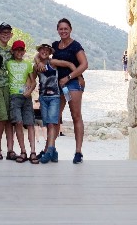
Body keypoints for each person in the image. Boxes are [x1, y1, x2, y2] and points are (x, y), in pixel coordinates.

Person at [51, 18, 88, 164]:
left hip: (72, 83)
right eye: (61, 29)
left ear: (70, 29)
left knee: (76, 116)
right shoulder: (54, 46)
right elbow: (46, 58)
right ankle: (51, 148)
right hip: (57, 84)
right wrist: (67, 63)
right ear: (57, 30)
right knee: (55, 117)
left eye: (66, 28)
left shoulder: (75, 46)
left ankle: (78, 152)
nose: (63, 31)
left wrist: (69, 76)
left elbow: (84, 64)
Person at [6, 40, 39, 164]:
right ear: (13, 51)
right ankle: (23, 151)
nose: (19, 52)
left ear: (24, 52)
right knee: (18, 122)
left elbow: (33, 81)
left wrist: (29, 91)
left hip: (26, 97)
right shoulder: (8, 63)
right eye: (17, 50)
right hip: (14, 96)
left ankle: (33, 152)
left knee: (30, 124)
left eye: (21, 50)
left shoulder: (27, 65)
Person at [0, 22, 16, 160]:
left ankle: (10, 149)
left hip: (9, 87)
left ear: (11, 35)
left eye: (8, 33)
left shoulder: (12, 51)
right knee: (1, 117)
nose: (5, 35)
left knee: (9, 119)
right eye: (2, 32)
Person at [34, 42, 61, 164]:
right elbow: (31, 79)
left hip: (54, 97)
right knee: (47, 124)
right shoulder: (37, 66)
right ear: (39, 51)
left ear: (50, 53)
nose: (44, 52)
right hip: (43, 97)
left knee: (51, 124)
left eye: (47, 50)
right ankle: (54, 152)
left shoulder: (53, 63)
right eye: (42, 50)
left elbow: (69, 64)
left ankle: (49, 151)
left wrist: (76, 75)